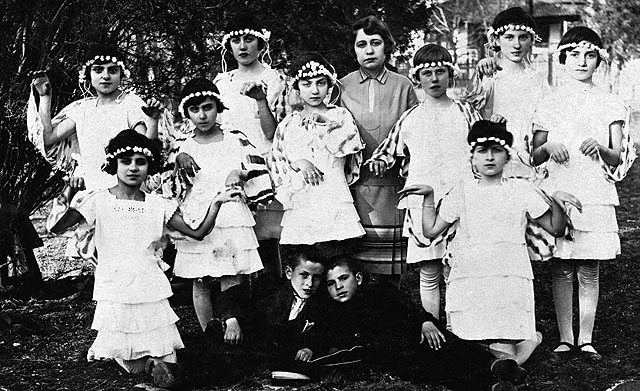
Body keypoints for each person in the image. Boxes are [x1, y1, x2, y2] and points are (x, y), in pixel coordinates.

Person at [50, 129, 242, 388]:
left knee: (165, 350)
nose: (133, 168)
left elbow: (198, 232)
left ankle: (162, 367)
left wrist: (217, 203)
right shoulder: (98, 200)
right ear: (113, 164)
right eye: (125, 161)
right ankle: (151, 368)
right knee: (125, 358)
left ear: (149, 166)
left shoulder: (158, 204)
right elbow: (57, 228)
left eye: (140, 162)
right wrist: (69, 196)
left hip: (149, 286)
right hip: (115, 287)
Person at [400, 120, 581, 365]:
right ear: (472, 157)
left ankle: (513, 355)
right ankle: (528, 345)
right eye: (482, 151)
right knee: (465, 346)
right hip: (470, 276)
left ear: (507, 157)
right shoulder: (463, 190)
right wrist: (430, 196)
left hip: (507, 276)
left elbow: (556, 228)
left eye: (496, 151)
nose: (489, 157)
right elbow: (431, 230)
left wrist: (557, 202)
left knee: (499, 346)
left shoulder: (520, 189)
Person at [531, 26, 636, 362]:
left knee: (589, 266)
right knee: (561, 265)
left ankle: (586, 339)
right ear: (563, 59)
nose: (581, 62)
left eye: (589, 55)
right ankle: (565, 338)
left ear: (598, 61)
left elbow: (619, 156)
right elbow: (532, 155)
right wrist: (548, 145)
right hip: (560, 186)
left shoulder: (609, 102)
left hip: (594, 188)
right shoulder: (549, 102)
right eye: (574, 54)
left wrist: (601, 148)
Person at [367, 44, 481, 317]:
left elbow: (482, 149)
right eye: (427, 73)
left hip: (460, 201)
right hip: (422, 205)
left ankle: (458, 329)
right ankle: (434, 329)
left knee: (457, 269)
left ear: (450, 74)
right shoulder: (410, 118)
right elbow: (386, 152)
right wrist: (381, 162)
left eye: (440, 72)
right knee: (429, 271)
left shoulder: (465, 112)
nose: (434, 79)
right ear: (417, 77)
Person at [29, 44, 160, 261]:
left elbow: (146, 147)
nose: (105, 76)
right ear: (87, 74)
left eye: (112, 70)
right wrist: (45, 98)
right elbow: (48, 138)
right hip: (92, 189)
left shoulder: (131, 104)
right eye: (98, 70)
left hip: (124, 187)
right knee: (100, 253)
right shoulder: (82, 109)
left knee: (129, 252)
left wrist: (152, 120)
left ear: (122, 73)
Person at [324, 256, 528, 391]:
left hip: (416, 331)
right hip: (398, 354)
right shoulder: (333, 313)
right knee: (436, 368)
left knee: (448, 343)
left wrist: (425, 321)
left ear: (358, 278)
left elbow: (409, 307)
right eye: (331, 284)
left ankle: (494, 365)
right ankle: (490, 385)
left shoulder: (380, 291)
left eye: (343, 278)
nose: (339, 287)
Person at [170, 78, 269, 343]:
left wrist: (240, 172)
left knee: (230, 273)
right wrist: (178, 158)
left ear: (218, 107)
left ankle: (231, 329)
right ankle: (209, 336)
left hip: (230, 215)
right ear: (186, 113)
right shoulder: (182, 143)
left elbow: (259, 167)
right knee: (200, 279)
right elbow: (165, 180)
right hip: (198, 216)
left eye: (207, 107)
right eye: (194, 110)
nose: (202, 115)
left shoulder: (235, 138)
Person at [339, 15, 419, 282]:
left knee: (388, 273)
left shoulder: (403, 85)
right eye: (362, 44)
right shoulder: (341, 86)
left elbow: (413, 131)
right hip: (355, 186)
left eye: (375, 43)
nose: (369, 50)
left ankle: (389, 320)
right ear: (353, 50)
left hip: (393, 186)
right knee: (355, 266)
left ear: (387, 47)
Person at [210, 12, 287, 277]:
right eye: (236, 41)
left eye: (249, 39)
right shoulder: (222, 82)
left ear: (261, 44)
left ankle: (274, 301)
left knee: (269, 237)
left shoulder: (275, 78)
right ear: (228, 46)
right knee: (237, 236)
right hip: (231, 166)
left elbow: (274, 133)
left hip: (265, 163)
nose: (242, 46)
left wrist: (261, 101)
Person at [269, 52, 365, 256]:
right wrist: (300, 163)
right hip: (303, 198)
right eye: (306, 84)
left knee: (335, 253)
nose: (314, 90)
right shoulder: (289, 123)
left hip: (332, 194)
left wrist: (325, 124)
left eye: (321, 83)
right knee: (306, 256)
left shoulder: (339, 115)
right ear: (296, 88)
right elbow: (279, 158)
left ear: (329, 86)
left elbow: (349, 147)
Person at [470, 7, 550, 179]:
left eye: (523, 37)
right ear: (497, 40)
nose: (517, 44)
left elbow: (543, 126)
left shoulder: (538, 80)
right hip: (492, 157)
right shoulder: (489, 75)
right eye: (509, 37)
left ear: (531, 40)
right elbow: (472, 114)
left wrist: (535, 158)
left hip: (526, 161)